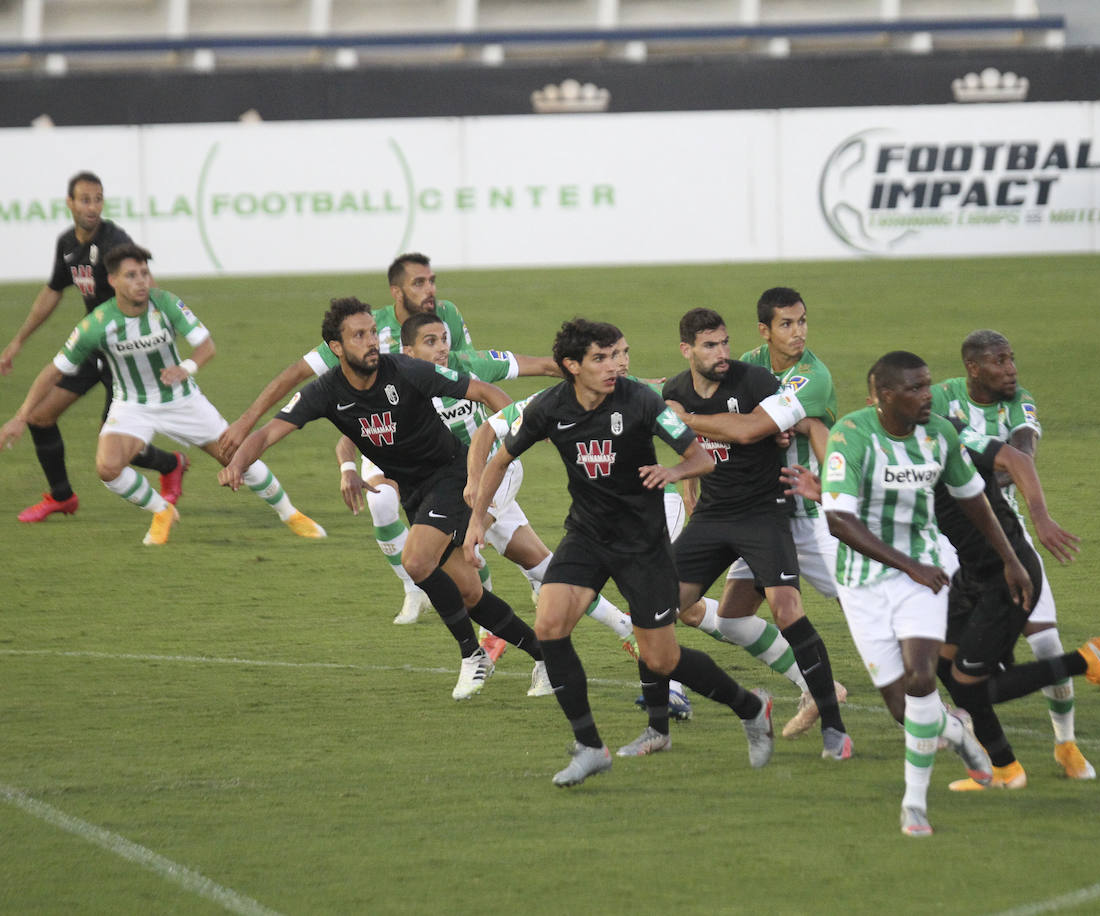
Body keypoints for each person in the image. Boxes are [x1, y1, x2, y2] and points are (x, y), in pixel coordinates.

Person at [463, 318, 774, 787]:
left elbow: (702, 457)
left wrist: (672, 472)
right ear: (572, 366)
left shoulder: (641, 401)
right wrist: (475, 522)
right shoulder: (549, 407)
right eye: (602, 358)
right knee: (549, 625)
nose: (616, 366)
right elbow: (500, 457)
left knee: (662, 660)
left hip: (642, 547)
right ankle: (590, 747)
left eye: (620, 354)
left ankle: (751, 707)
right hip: (586, 537)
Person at [220, 297, 546, 701]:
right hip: (414, 492)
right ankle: (547, 656)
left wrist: (513, 440)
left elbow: (483, 389)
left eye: (372, 332)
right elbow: (269, 433)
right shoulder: (325, 392)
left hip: (451, 475)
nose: (371, 341)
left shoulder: (406, 370)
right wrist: (238, 462)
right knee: (467, 593)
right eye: (359, 335)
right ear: (336, 348)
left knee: (415, 560)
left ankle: (471, 654)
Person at [783, 412, 1100, 793]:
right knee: (945, 668)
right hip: (971, 575)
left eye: (923, 390)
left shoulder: (944, 438)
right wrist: (828, 489)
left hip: (1004, 574)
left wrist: (1029, 534)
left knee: (973, 685)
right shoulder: (897, 449)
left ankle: (1084, 661)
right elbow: (886, 501)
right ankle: (1005, 768)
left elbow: (1008, 463)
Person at [816, 350, 1027, 837]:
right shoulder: (853, 435)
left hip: (925, 573)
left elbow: (973, 498)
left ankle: (914, 805)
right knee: (902, 711)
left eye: (928, 384)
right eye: (914, 388)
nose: (927, 394)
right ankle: (958, 734)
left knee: (921, 676)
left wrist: (1011, 560)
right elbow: (839, 519)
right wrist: (905, 565)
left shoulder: (940, 433)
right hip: (863, 582)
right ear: (885, 396)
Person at [0, 243, 324, 546]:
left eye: (144, 273)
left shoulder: (166, 303)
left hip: (183, 400)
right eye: (131, 275)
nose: (141, 281)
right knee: (107, 468)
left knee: (237, 455)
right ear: (112, 280)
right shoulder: (96, 325)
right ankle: (161, 510)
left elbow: (206, 346)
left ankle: (290, 513)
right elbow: (54, 370)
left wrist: (186, 368)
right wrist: (20, 417)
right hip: (132, 404)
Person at [663, 307, 853, 761]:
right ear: (688, 350)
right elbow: (687, 446)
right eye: (711, 345)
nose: (722, 352)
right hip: (712, 516)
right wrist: (689, 486)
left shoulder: (757, 383)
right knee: (658, 608)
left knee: (794, 609)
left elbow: (769, 428)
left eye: (725, 342)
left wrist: (685, 418)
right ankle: (668, 724)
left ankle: (836, 727)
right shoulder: (675, 389)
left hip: (768, 513)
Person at [403, 311, 639, 669]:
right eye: (430, 341)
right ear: (408, 351)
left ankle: (487, 641)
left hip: (496, 472)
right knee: (540, 564)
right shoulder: (401, 384)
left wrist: (528, 426)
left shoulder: (472, 365)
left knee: (462, 544)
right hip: (452, 487)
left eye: (444, 339)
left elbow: (546, 367)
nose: (441, 348)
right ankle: (624, 626)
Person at [933, 329, 1095, 780]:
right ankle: (980, 739)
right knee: (943, 651)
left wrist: (991, 471)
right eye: (1000, 362)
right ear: (973, 367)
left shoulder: (1018, 401)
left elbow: (1023, 451)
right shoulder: (942, 395)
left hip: (1001, 530)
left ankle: (1066, 745)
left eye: (1011, 359)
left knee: (1044, 640)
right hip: (943, 539)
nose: (1011, 370)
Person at [2, 172, 185, 522]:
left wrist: (160, 339)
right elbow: (52, 291)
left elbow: (148, 286)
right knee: (40, 416)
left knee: (116, 447)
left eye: (98, 199)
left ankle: (171, 464)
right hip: (93, 349)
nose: (92, 206)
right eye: (85, 199)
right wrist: (18, 341)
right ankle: (62, 497)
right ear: (70, 203)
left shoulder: (115, 243)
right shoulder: (68, 245)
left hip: (127, 352)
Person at [724, 286, 848, 739]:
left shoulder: (814, 375)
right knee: (732, 619)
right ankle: (813, 686)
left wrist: (770, 426)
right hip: (758, 515)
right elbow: (726, 420)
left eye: (802, 322)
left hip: (806, 519)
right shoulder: (748, 363)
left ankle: (944, 700)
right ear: (765, 330)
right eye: (787, 324)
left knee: (864, 606)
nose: (798, 333)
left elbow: (750, 424)